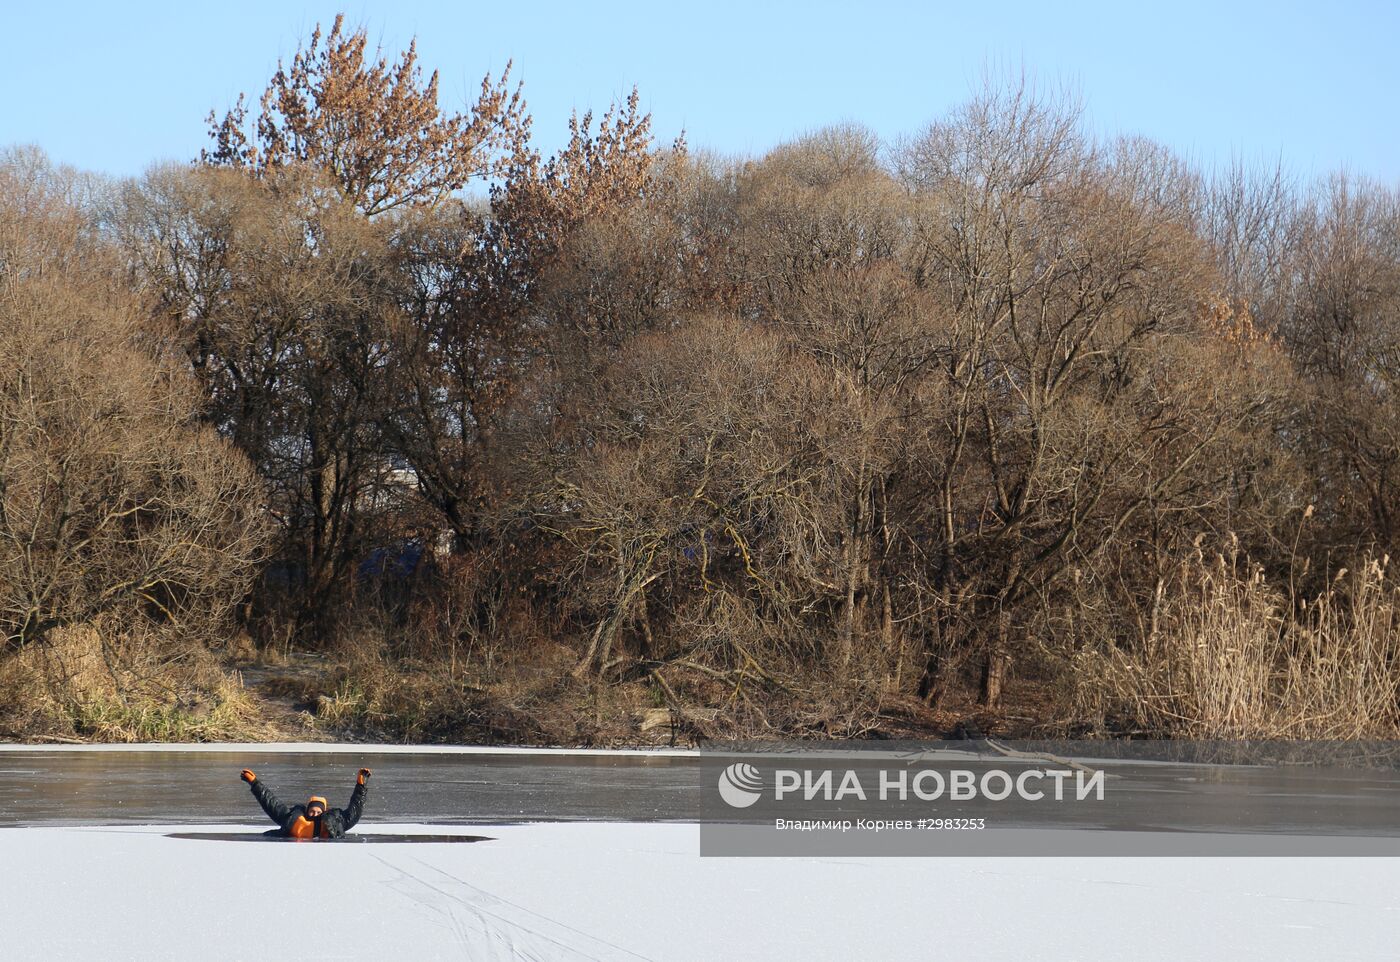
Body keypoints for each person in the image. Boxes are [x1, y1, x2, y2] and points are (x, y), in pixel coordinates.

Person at [240, 767, 372, 839]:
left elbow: (355, 809)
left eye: (318, 812)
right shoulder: (292, 818)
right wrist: (254, 783)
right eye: (312, 811)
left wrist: (361, 785)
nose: (315, 814)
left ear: (324, 812)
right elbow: (270, 802)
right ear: (307, 810)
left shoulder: (336, 822)